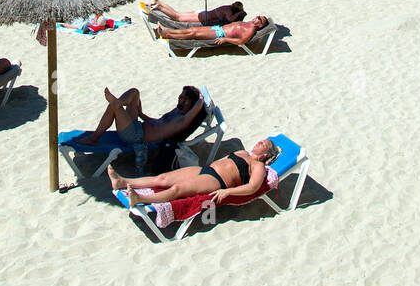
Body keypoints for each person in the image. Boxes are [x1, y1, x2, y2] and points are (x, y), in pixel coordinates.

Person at [107, 138, 280, 207]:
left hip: (218, 181)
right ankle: (122, 181)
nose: (259, 143)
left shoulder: (258, 166)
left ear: (266, 154)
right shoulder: (243, 153)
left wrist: (227, 191)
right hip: (205, 170)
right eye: (261, 141)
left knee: (177, 189)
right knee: (162, 178)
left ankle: (141, 199)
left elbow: (252, 187)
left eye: (263, 144)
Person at [72, 85, 206, 157]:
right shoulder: (177, 111)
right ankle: (118, 102)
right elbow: (159, 122)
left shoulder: (183, 121)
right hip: (138, 126)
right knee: (134, 92)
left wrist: (200, 100)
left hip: (135, 137)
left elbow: (198, 104)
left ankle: (94, 138)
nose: (179, 99)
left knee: (114, 107)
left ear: (192, 104)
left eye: (184, 98)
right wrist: (142, 114)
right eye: (180, 96)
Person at [159, 14, 270, 47]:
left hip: (220, 33)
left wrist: (225, 39)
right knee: (193, 29)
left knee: (193, 33)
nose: (256, 17)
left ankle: (167, 34)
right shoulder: (249, 23)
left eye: (259, 19)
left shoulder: (250, 30)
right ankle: (167, 32)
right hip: (218, 28)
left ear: (260, 25)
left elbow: (241, 41)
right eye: (258, 16)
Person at [148, 0, 246, 26]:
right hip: (202, 17)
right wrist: (238, 13)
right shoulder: (229, 11)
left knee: (178, 14)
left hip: (201, 13)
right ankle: (160, 8)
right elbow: (230, 19)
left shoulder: (227, 6)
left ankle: (159, 2)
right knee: (177, 18)